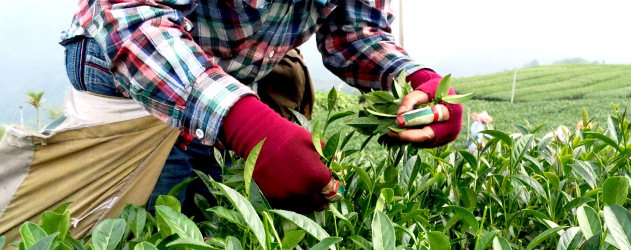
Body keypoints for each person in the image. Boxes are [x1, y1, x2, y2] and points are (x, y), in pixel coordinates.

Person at [58, 0, 463, 215]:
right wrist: (246, 125)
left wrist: (413, 79)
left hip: (227, 79)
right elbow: (132, 14)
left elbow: (354, 30)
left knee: (213, 212)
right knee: (146, 217)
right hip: (126, 72)